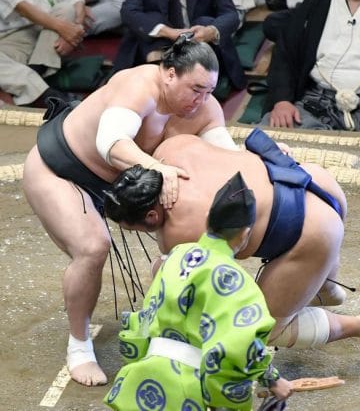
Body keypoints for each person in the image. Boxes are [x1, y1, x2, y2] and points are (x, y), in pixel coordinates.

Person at [22, 36, 238, 387]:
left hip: (121, 189)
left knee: (185, 246)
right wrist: (158, 167)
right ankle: (79, 346)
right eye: (195, 89)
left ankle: (163, 327)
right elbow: (111, 143)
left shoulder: (204, 109)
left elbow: (226, 158)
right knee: (93, 246)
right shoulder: (138, 84)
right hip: (59, 170)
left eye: (209, 91)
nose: (200, 100)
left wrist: (266, 156)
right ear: (169, 74)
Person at [104, 127, 360, 355]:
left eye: (136, 228)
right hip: (313, 178)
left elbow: (217, 292)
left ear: (152, 216)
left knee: (262, 328)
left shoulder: (177, 236)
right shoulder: (173, 147)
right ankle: (325, 287)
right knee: (313, 266)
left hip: (312, 230)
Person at [103, 172, 293, 410]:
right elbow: (239, 348)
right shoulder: (238, 282)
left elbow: (146, 315)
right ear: (246, 233)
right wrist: (272, 379)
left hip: (143, 380)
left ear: (207, 219)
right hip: (188, 390)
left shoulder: (176, 256)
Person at [260, 0, 360, 131]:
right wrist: (282, 101)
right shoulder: (315, 2)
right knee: (267, 138)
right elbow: (286, 53)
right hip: (319, 103)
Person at [114, 0, 247, 92]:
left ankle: (193, 83)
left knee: (205, 21)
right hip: (160, 42)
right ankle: (161, 80)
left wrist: (210, 31)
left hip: (198, 41)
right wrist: (167, 32)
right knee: (151, 19)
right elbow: (128, 12)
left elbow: (230, 14)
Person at [0, 0, 89, 106]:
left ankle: (34, 80)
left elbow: (75, 0)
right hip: (8, 38)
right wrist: (66, 30)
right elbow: (22, 8)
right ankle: (47, 94)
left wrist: (76, 28)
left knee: (66, 9)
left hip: (43, 29)